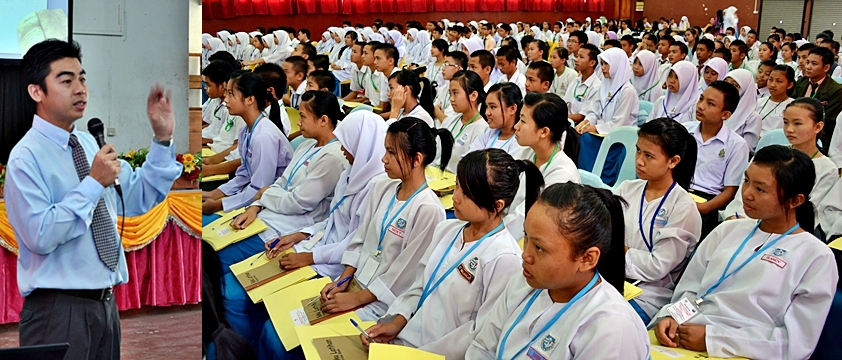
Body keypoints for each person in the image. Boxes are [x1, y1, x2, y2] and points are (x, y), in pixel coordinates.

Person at [8, 39, 182, 360]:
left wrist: (162, 138)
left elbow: (137, 194)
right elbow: (40, 235)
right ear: (37, 92)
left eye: (83, 78)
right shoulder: (26, 158)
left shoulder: (89, 143)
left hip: (104, 307)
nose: (80, 89)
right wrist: (92, 184)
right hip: (57, 311)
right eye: (66, 80)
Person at [652, 145, 837, 359]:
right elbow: (693, 292)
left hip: (746, 352)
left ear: (795, 200)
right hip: (688, 337)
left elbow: (794, 342)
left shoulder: (816, 257)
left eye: (760, 189)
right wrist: (672, 316)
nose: (747, 194)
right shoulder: (726, 230)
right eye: (746, 181)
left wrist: (714, 339)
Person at [359, 149, 542, 358]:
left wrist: (416, 354)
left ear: (497, 205)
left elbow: (477, 334)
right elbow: (420, 286)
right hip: (405, 341)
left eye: (466, 193)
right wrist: (397, 323)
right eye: (457, 186)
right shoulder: (447, 230)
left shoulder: (504, 258)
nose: (455, 197)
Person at [465, 182, 650, 359]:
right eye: (526, 237)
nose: (525, 255)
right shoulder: (524, 282)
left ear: (587, 259)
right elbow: (483, 348)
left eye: (539, 248)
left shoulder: (612, 329)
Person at [322, 118, 453, 321]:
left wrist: (356, 299)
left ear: (417, 159)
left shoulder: (428, 209)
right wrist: (344, 279)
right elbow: (360, 239)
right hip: (355, 284)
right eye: (385, 150)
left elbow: (403, 274)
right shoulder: (382, 187)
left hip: (382, 302)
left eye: (391, 152)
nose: (383, 159)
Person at [614, 118, 701, 323]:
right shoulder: (627, 188)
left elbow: (657, 267)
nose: (639, 161)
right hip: (614, 279)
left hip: (648, 295)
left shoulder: (683, 207)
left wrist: (618, 250)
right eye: (638, 151)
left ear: (673, 161)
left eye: (649, 156)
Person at [725, 98, 838, 235]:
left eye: (797, 123)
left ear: (818, 127)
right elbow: (743, 193)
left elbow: (807, 211)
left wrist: (752, 224)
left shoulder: (827, 168)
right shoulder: (770, 154)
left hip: (780, 231)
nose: (789, 129)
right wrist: (734, 216)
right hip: (742, 221)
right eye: (785, 122)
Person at [202, 71, 293, 215]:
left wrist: (220, 204)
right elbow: (245, 173)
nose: (225, 99)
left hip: (271, 202)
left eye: (231, 94)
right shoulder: (246, 130)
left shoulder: (264, 136)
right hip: (252, 195)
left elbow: (261, 188)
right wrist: (214, 194)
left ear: (250, 99)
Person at [685, 81, 750, 238]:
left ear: (725, 114)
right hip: (679, 190)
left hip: (707, 200)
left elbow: (730, 190)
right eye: (701, 99)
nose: (700, 106)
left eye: (710, 104)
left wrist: (704, 208)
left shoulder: (736, 145)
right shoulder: (685, 130)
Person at [576, 48, 639, 186]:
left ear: (617, 65)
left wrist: (593, 128)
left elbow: (619, 123)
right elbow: (594, 111)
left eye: (606, 64)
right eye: (602, 64)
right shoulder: (605, 85)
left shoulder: (627, 91)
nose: (602, 68)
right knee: (583, 137)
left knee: (588, 137)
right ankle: (585, 180)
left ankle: (602, 183)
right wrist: (586, 122)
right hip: (602, 132)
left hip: (619, 137)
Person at [791, 46, 842, 153]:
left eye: (814, 64)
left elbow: (828, 120)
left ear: (826, 67)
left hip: (819, 136)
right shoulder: (802, 82)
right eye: (807, 62)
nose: (808, 67)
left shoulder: (836, 90)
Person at [438, 70, 489, 174]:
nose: (451, 99)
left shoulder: (482, 129)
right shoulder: (450, 120)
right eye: (450, 93)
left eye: (455, 93)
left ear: (473, 96)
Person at [467, 83, 529, 159]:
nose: (487, 112)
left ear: (512, 109)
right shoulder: (489, 132)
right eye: (487, 106)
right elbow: (467, 159)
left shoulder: (520, 140)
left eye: (493, 107)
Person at [723, 69, 761, 150]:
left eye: (734, 85)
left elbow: (748, 148)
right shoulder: (720, 108)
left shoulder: (752, 117)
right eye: (725, 82)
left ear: (745, 89)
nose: (728, 88)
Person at [564, 44, 602, 123]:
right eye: (577, 56)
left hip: (578, 126)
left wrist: (559, 118)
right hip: (566, 121)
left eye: (581, 57)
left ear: (592, 62)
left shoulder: (596, 86)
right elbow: (564, 103)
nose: (576, 60)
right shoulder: (576, 81)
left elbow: (582, 116)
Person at [756, 65, 795, 135]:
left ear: (790, 85)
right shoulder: (758, 102)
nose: (773, 85)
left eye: (779, 81)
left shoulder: (793, 106)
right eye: (770, 80)